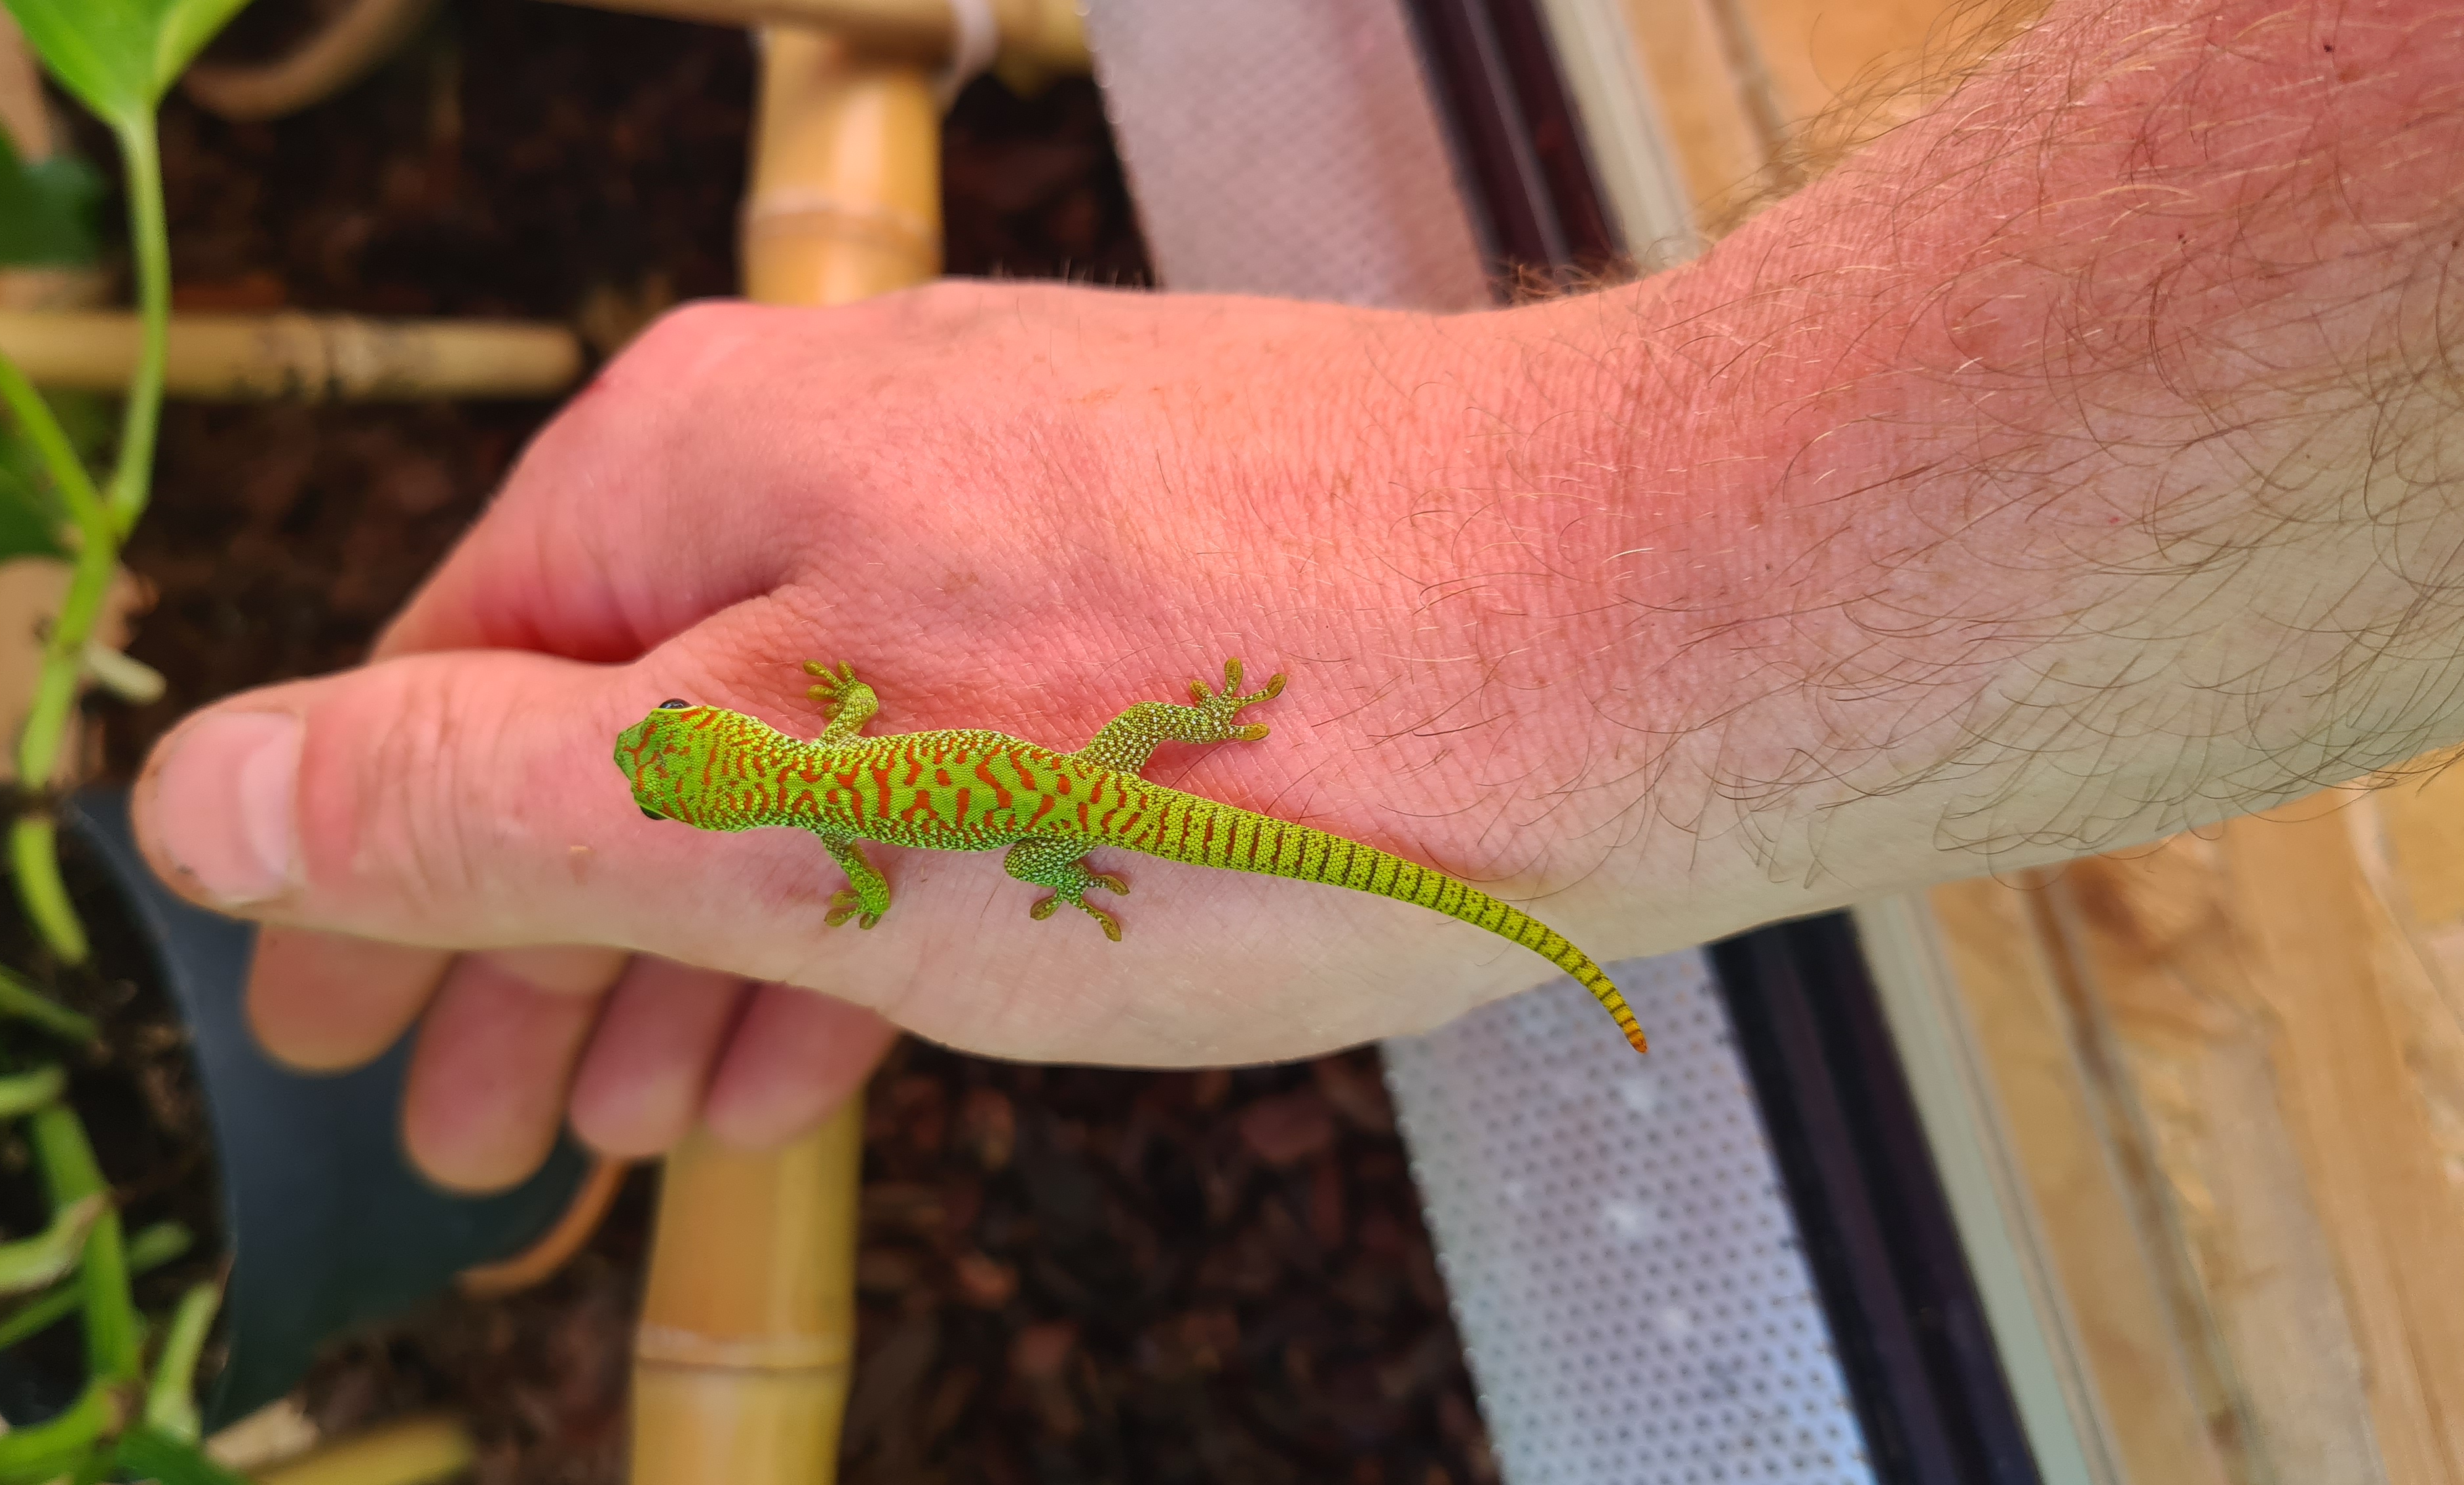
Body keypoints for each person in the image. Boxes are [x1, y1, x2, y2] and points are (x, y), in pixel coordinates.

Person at [134, 0, 2464, 1192]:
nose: (667, 744)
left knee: (1143, 807)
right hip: (1095, 787)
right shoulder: (822, 746)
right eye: (678, 755)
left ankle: (1284, 800)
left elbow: (859, 856)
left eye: (668, 750)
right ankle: (1249, 760)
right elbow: (852, 778)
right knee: (1157, 774)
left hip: (1085, 812)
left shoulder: (829, 809)